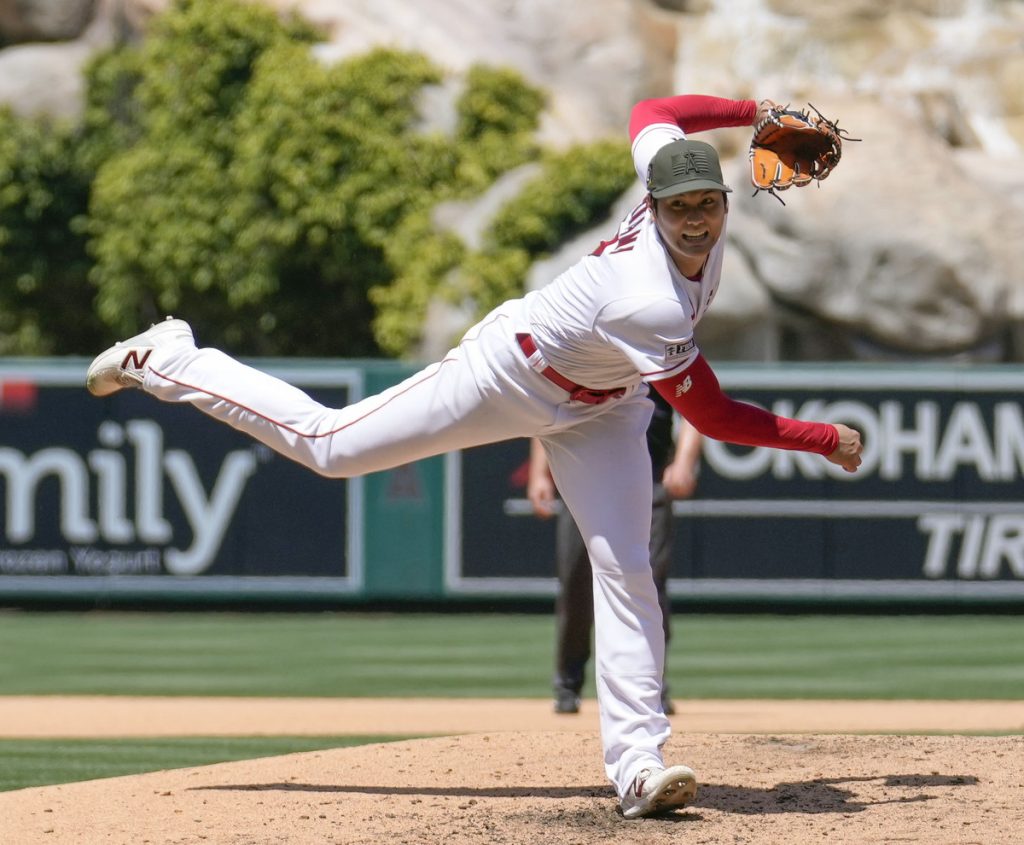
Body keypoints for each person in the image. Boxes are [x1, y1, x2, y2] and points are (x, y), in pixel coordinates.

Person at [86, 92, 862, 819]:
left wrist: (749, 111)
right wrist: (824, 437)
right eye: (679, 208)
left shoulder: (682, 204)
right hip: (511, 373)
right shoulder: (647, 295)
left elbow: (653, 111)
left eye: (707, 204)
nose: (694, 221)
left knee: (625, 566)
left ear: (727, 203)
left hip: (608, 406)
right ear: (653, 210)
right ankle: (171, 358)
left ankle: (638, 766)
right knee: (332, 446)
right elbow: (715, 416)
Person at [527, 397, 702, 716]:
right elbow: (550, 406)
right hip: (584, 484)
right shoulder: (589, 350)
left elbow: (694, 406)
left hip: (650, 485)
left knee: (649, 587)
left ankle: (652, 688)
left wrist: (685, 461)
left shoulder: (657, 349)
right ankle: (568, 684)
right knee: (576, 584)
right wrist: (540, 473)